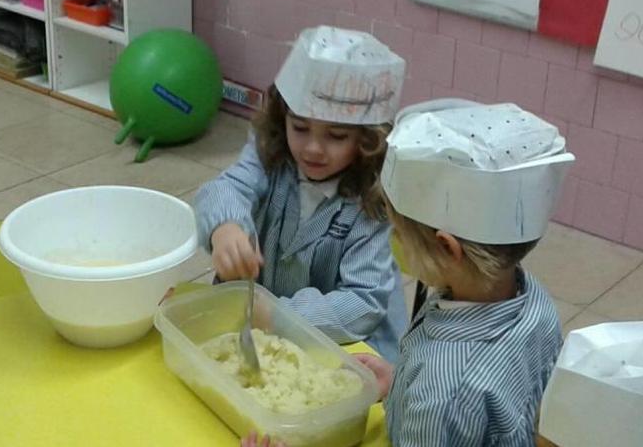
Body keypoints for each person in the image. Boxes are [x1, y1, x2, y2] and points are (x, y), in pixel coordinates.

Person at [359, 100, 576, 446]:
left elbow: (448, 403)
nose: (392, 239)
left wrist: (423, 396)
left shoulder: (441, 394)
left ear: (446, 249)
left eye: (398, 231)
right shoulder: (533, 300)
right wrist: (402, 386)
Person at [196, 25, 408, 363]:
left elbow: (363, 302)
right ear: (283, 120)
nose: (312, 148)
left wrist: (282, 316)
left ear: (368, 141)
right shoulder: (271, 152)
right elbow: (226, 187)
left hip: (348, 344)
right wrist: (225, 226)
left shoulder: (374, 199)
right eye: (300, 127)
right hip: (263, 325)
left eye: (336, 136)